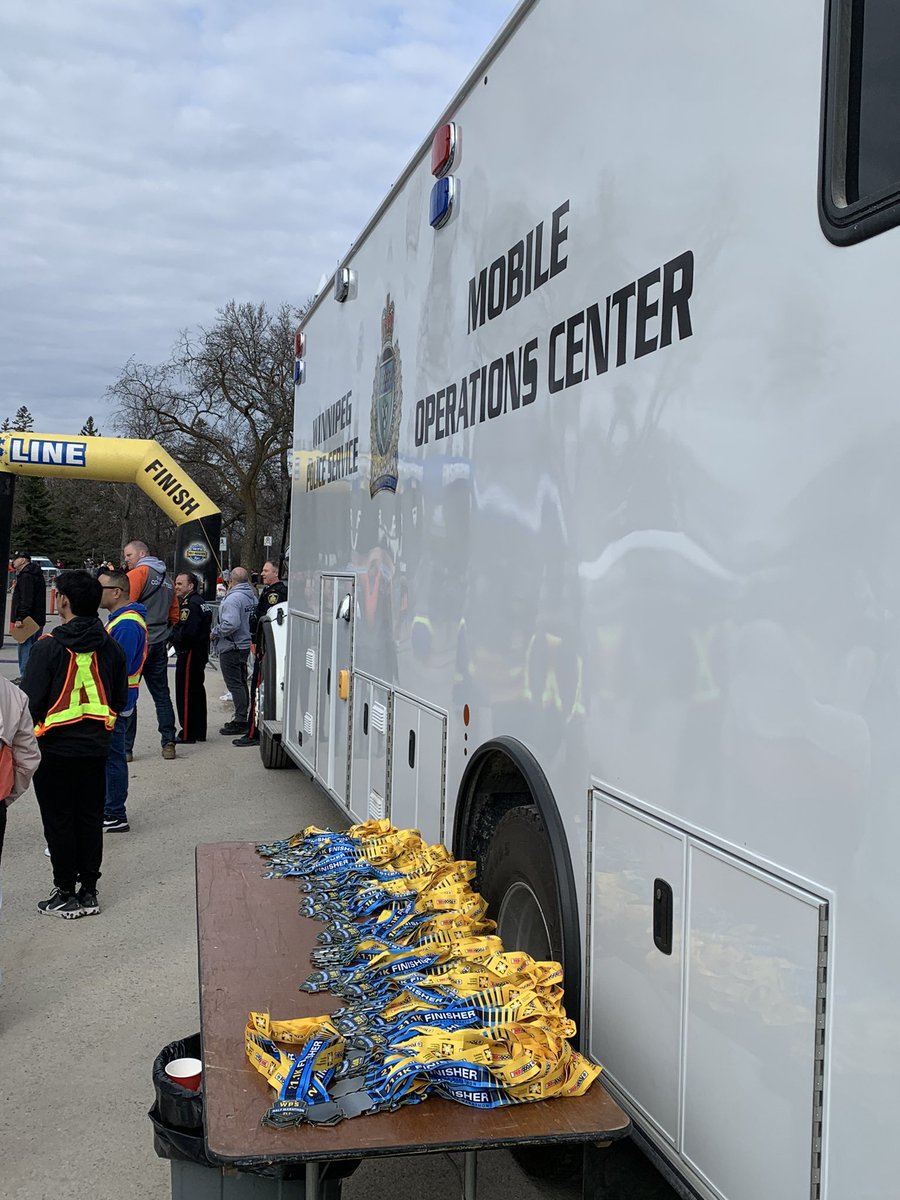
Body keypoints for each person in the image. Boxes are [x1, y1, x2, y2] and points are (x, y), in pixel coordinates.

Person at [21, 570, 128, 918]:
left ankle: (65, 891)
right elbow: (119, 697)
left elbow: (30, 701)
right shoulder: (110, 646)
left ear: (63, 601)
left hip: (53, 749)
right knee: (89, 817)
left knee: (59, 820)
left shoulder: (48, 647)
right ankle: (89, 891)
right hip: (96, 747)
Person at [97, 569, 148, 833]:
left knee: (113, 756)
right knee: (111, 755)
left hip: (117, 700)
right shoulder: (121, 620)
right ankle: (111, 809)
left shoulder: (126, 624)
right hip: (118, 698)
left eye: (101, 588)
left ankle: (115, 812)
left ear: (116, 592)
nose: (97, 593)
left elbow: (118, 666)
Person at [122, 540, 179, 760]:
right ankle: (169, 742)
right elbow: (174, 613)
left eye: (129, 555)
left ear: (142, 553)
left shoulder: (138, 574)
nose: (126, 559)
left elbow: (126, 605)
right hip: (159, 642)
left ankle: (126, 748)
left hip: (139, 641)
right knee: (162, 695)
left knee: (129, 692)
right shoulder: (167, 579)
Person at [233, 560, 288, 747]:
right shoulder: (268, 591)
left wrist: (257, 641)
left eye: (266, 571)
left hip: (266, 647)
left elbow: (266, 618)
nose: (262, 574)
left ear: (276, 572)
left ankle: (253, 733)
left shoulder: (276, 593)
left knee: (259, 687)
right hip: (261, 644)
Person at [211, 566, 256, 736]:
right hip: (243, 644)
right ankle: (244, 715)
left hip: (232, 646)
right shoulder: (251, 596)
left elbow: (231, 624)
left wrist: (215, 632)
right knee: (242, 681)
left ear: (231, 581)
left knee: (235, 683)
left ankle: (240, 719)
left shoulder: (232, 600)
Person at [171, 572, 212, 743]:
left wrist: (172, 635)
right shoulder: (201, 602)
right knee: (197, 691)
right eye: (176, 583)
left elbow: (187, 632)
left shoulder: (190, 604)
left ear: (191, 586)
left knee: (186, 692)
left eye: (180, 584)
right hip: (199, 652)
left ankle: (188, 732)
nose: (176, 587)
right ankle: (199, 730)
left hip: (189, 653)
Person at [10, 554, 47, 678]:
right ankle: (33, 676)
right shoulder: (36, 573)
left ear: (23, 560)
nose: (13, 561)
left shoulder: (26, 576)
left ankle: (25, 677)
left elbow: (26, 598)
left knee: (25, 646)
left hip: (28, 619)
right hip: (38, 617)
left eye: (16, 559)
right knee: (34, 648)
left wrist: (20, 617)